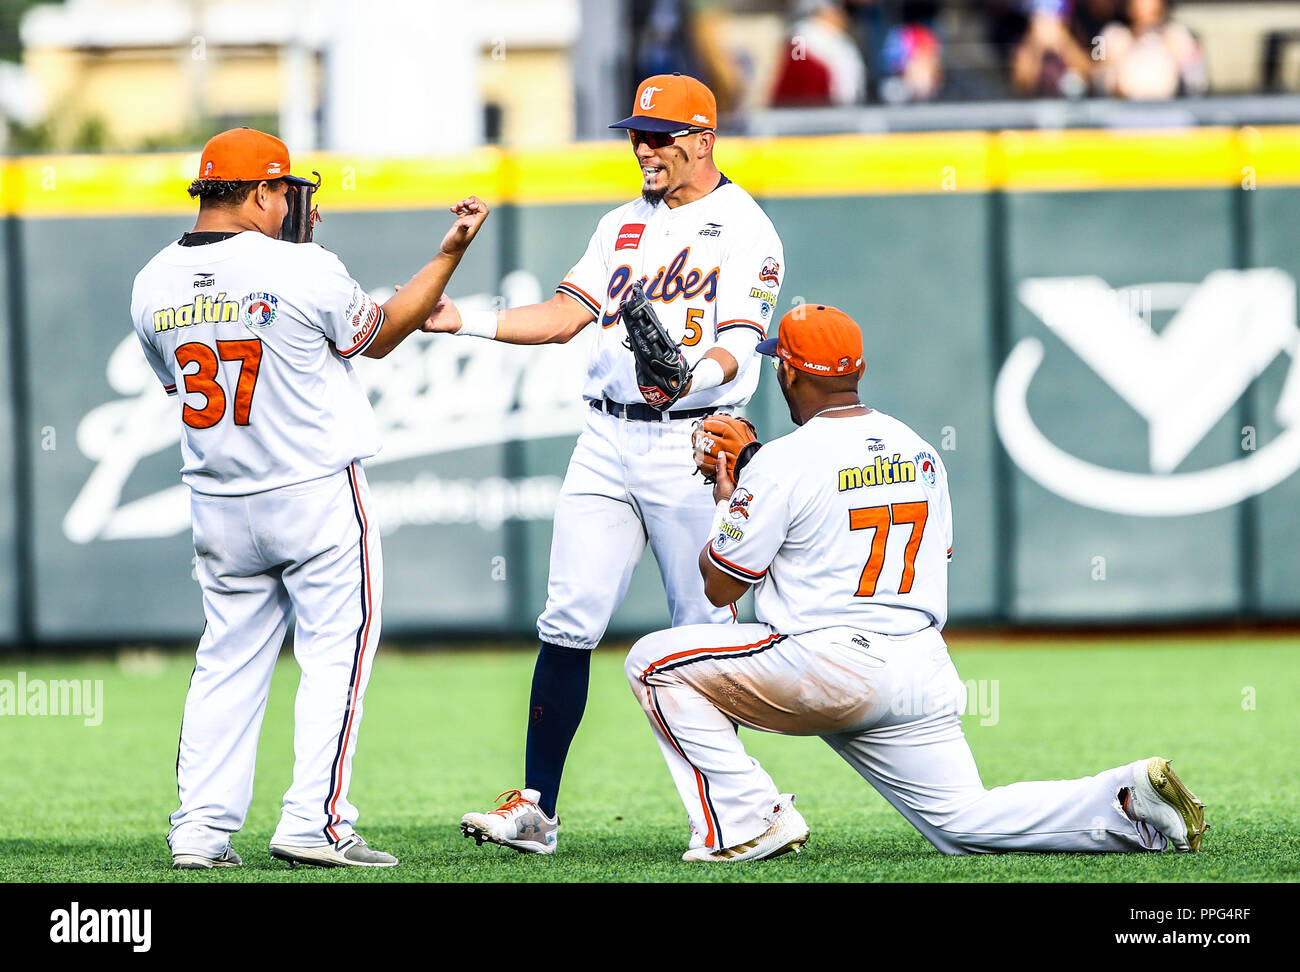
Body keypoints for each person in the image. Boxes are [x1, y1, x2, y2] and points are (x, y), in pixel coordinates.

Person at [624, 304, 1209, 862]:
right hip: (920, 669)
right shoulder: (920, 450)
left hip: (829, 666)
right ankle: (1128, 802)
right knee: (962, 822)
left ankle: (746, 821)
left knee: (652, 662)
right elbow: (933, 550)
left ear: (789, 371)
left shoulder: (781, 460)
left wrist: (729, 496)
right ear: (858, 371)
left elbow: (721, 588)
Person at [434, 73, 785, 854]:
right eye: (636, 133)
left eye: (660, 135)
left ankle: (739, 813)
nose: (644, 147)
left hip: (693, 442)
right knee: (567, 621)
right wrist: (463, 320)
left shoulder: (746, 228)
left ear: (704, 139)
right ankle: (537, 809)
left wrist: (690, 378)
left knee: (702, 636)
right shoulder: (621, 224)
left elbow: (738, 342)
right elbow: (565, 317)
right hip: (606, 439)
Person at [131, 127, 488, 869]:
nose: (293, 202)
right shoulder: (303, 266)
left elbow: (186, 382)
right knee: (336, 657)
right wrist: (451, 248)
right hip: (313, 493)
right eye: (285, 189)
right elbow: (383, 334)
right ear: (260, 191)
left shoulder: (150, 281)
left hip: (218, 502)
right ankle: (314, 823)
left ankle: (199, 830)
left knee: (225, 664)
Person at [1096, 0, 1206, 100]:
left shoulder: (1176, 34)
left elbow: (1197, 84)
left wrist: (1181, 58)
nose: (1140, 3)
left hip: (1168, 112)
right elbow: (1097, 82)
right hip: (1122, 112)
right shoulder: (1112, 35)